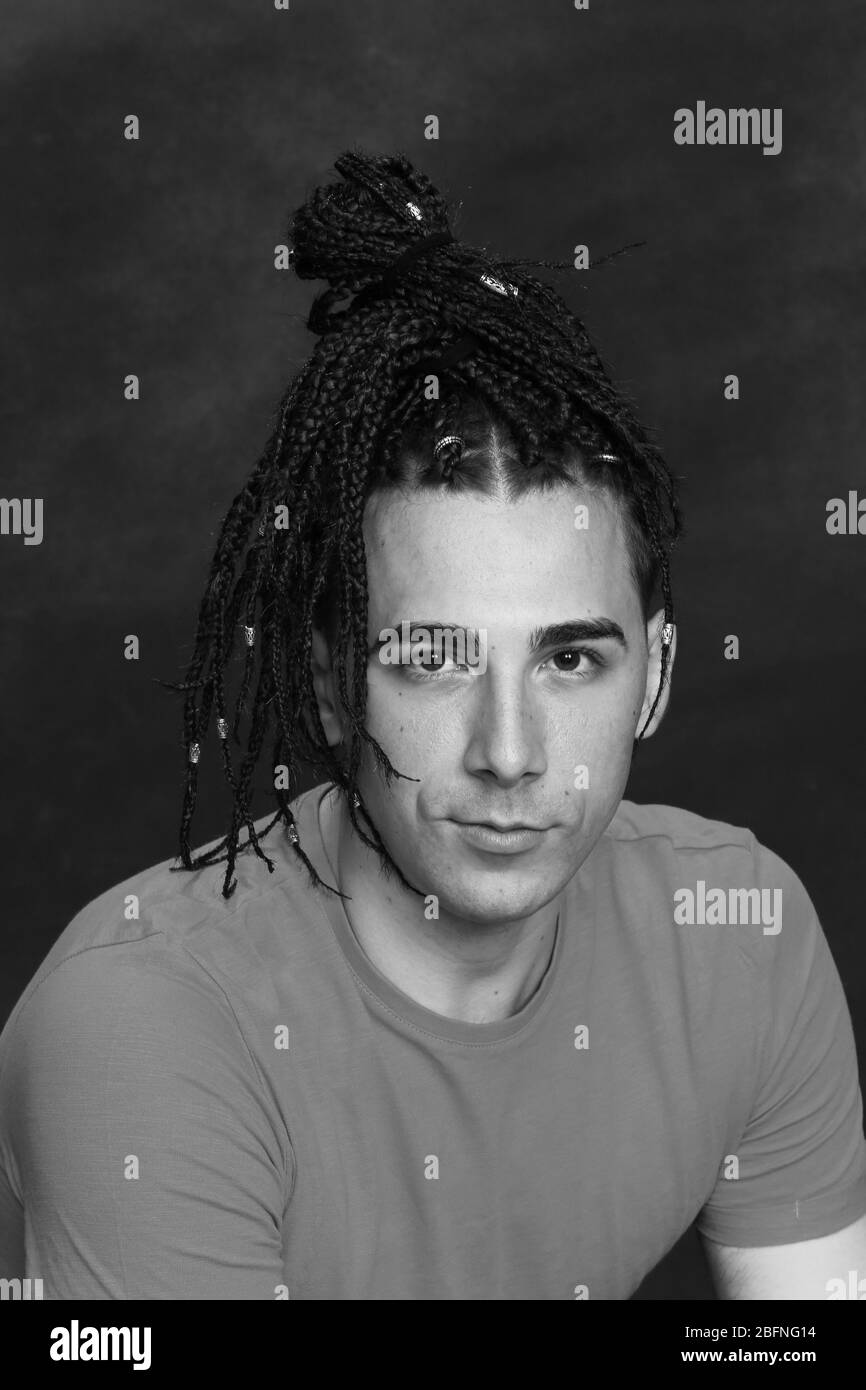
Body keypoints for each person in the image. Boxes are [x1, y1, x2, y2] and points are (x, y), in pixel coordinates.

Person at [1, 150, 864, 1301]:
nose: (507, 751)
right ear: (326, 684)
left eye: (567, 659)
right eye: (429, 659)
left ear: (653, 676)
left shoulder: (740, 934)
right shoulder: (139, 1023)